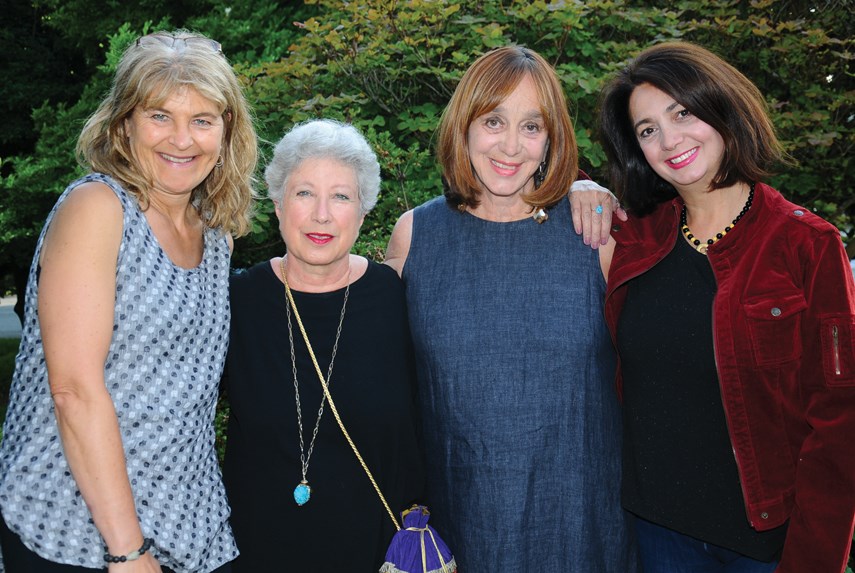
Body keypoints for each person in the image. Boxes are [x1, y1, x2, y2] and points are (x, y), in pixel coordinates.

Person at [0, 30, 257, 572]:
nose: (182, 139)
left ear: (227, 131)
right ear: (123, 124)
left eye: (203, 120)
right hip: (79, 530)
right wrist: (128, 550)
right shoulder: (98, 208)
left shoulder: (216, 235)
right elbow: (73, 390)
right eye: (159, 116)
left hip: (190, 525)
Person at [595, 41, 855, 573]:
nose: (669, 140)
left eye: (682, 113)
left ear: (722, 109)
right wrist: (582, 188)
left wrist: (813, 561)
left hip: (765, 546)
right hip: (657, 534)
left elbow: (840, 422)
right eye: (647, 130)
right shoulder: (631, 243)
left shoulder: (807, 246)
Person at [385, 45, 638, 572]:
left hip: (581, 531)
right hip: (457, 532)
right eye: (493, 121)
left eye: (531, 126)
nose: (510, 145)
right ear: (465, 128)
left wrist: (594, 190)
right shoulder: (416, 237)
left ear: (551, 139)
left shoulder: (594, 234)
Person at [221, 119, 426, 573]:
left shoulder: (398, 295)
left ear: (364, 210)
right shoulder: (236, 299)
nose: (321, 215)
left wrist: (579, 190)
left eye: (341, 196)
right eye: (304, 193)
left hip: (378, 554)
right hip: (258, 553)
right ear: (276, 204)